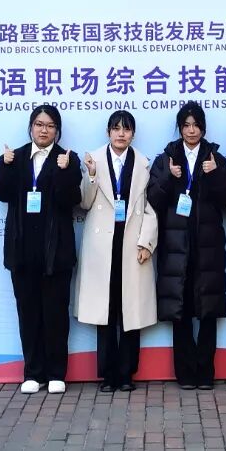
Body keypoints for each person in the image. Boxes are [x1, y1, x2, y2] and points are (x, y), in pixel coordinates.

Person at [0, 104, 82, 394]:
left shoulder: (68, 158)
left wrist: (65, 172)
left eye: (50, 126)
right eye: (39, 124)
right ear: (31, 127)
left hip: (56, 253)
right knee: (28, 314)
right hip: (22, 251)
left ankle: (56, 373)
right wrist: (5, 166)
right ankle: (33, 372)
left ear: (58, 131)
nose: (44, 130)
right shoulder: (14, 157)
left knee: (56, 315)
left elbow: (71, 199)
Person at [147, 101, 226, 390]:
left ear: (203, 127)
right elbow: (153, 199)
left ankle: (205, 372)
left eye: (196, 125)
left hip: (208, 246)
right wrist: (167, 176)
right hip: (176, 245)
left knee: (207, 310)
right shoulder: (167, 158)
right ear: (180, 128)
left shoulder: (215, 157)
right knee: (181, 310)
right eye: (186, 125)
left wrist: (215, 174)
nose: (191, 130)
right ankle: (185, 373)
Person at [74, 110, 158, 392]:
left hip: (132, 244)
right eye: (116, 128)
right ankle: (108, 375)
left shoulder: (144, 163)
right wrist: (91, 175)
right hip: (102, 246)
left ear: (133, 134)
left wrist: (146, 242)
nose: (121, 134)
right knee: (106, 312)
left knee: (130, 313)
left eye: (126, 129)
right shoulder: (93, 160)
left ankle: (126, 374)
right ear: (108, 132)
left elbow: (150, 207)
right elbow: (85, 203)